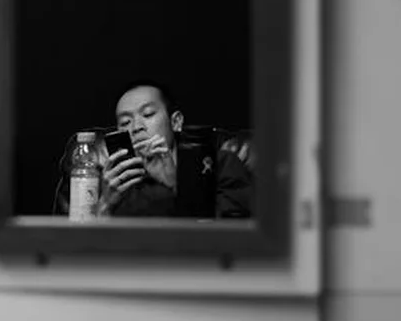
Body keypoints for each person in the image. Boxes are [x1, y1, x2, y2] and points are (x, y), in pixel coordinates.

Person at [55, 81, 253, 218]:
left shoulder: (220, 163)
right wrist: (106, 203)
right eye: (125, 122)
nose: (136, 127)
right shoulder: (118, 181)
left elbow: (228, 238)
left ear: (176, 122)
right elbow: (81, 249)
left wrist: (175, 184)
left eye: (148, 114)